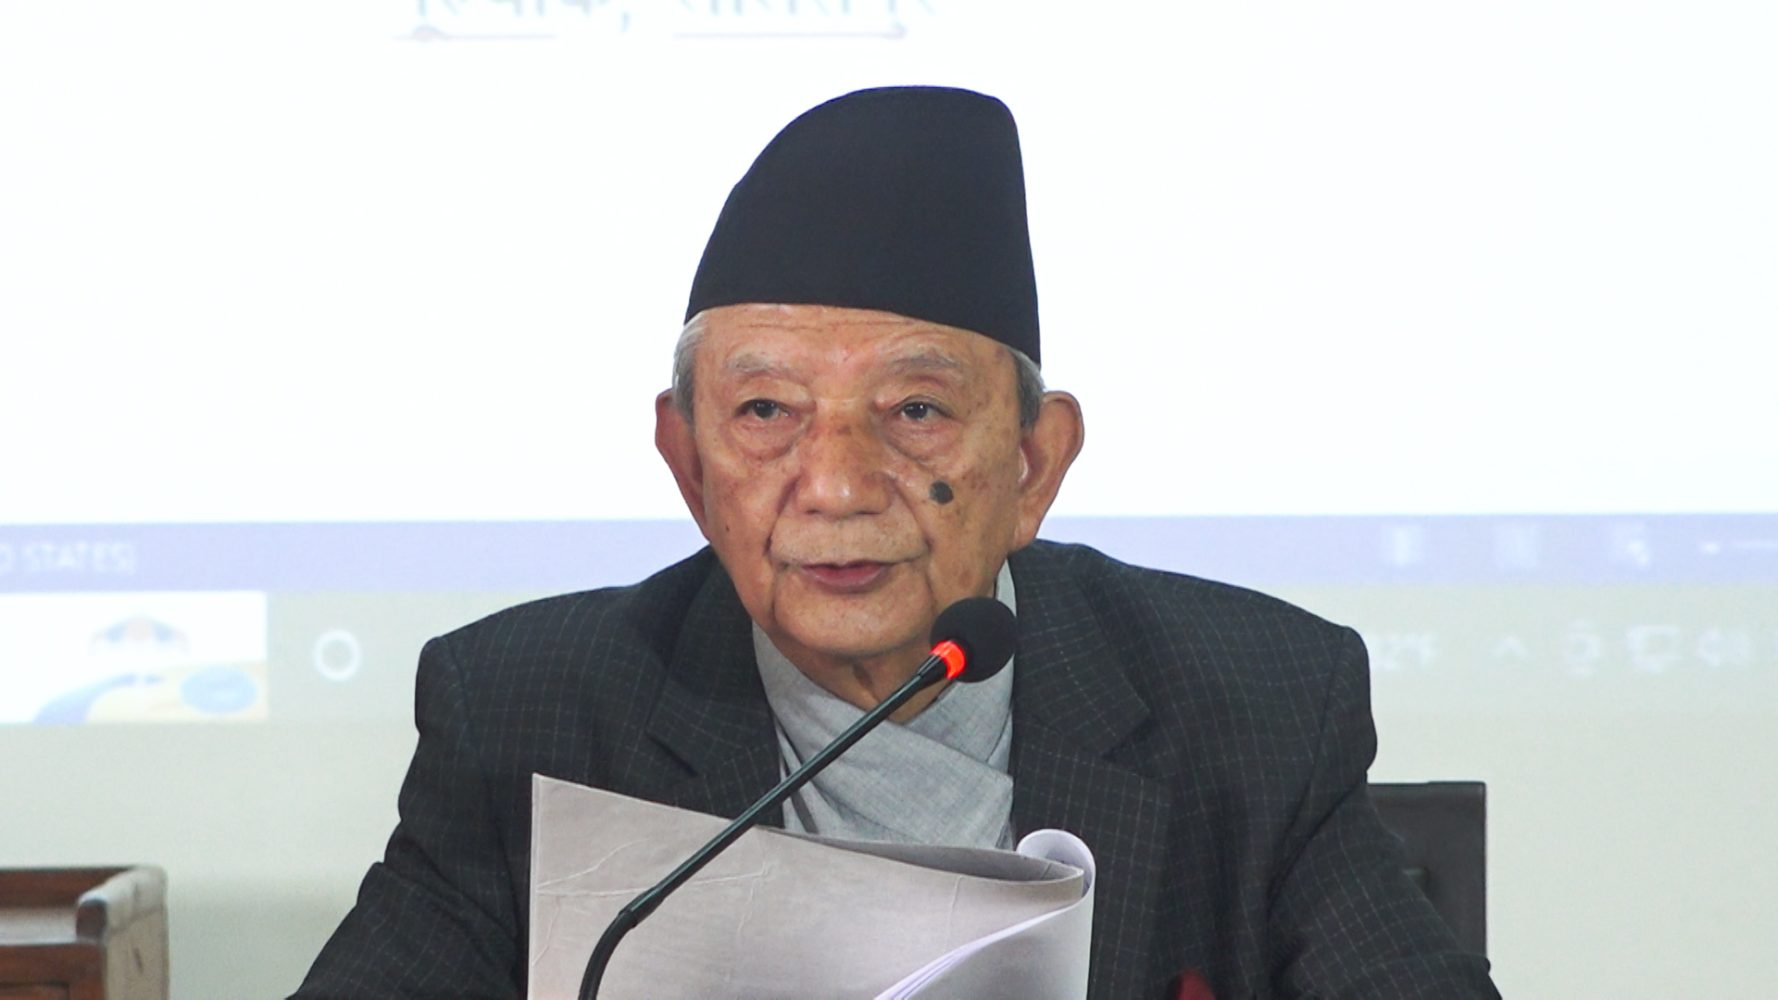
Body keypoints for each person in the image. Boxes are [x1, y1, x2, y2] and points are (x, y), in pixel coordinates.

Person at [294, 86, 1499, 999]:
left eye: (914, 409)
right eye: (765, 413)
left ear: (1031, 465)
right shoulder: (526, 716)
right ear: (689, 464)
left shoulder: (1251, 707)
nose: (834, 484)